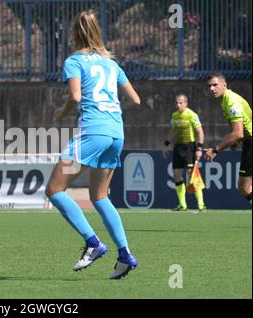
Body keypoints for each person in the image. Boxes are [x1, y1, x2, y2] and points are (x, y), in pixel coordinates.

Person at [45, 10, 141, 279]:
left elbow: (75, 96)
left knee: (54, 189)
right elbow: (135, 100)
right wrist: (112, 112)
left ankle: (93, 243)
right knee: (99, 196)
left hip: (93, 132)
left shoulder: (74, 61)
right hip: (116, 133)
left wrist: (61, 114)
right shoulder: (112, 64)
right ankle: (125, 255)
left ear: (75, 34)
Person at [205, 73, 252, 206]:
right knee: (245, 186)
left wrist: (215, 149)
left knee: (244, 187)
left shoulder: (231, 100)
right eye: (209, 86)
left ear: (224, 85)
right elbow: (235, 131)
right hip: (248, 142)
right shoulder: (224, 100)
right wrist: (233, 141)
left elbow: (238, 133)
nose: (212, 89)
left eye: (215, 85)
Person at [162, 94, 206, 211]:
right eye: (176, 102)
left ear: (186, 103)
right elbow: (173, 130)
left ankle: (201, 204)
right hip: (178, 147)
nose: (178, 105)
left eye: (181, 103)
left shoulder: (192, 115)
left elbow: (200, 132)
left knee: (192, 175)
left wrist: (199, 149)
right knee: (177, 175)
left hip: (189, 148)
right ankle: (182, 204)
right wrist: (166, 144)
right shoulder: (175, 116)